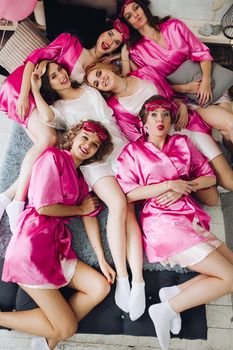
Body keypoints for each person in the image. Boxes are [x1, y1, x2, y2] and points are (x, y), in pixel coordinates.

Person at [116, 95, 233, 350]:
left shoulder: (182, 143)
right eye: (154, 115)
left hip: (188, 217)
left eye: (165, 114)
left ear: (171, 120)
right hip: (161, 222)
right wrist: (168, 184)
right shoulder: (133, 151)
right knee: (230, 277)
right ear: (144, 122)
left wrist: (184, 187)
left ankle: (172, 294)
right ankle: (166, 308)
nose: (160, 119)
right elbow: (128, 193)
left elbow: (209, 178)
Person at [0, 18, 130, 223]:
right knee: (49, 140)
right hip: (23, 88)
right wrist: (25, 94)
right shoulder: (70, 41)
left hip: (49, 102)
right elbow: (32, 62)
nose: (110, 41)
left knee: (59, 154)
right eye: (110, 34)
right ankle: (16, 200)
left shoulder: (96, 71)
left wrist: (121, 56)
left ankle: (6, 196)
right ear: (102, 31)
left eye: (116, 42)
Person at [0, 120, 115, 350]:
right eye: (85, 137)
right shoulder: (52, 157)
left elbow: (89, 214)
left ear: (96, 152)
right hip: (32, 245)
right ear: (73, 136)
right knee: (67, 329)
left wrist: (101, 258)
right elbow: (44, 207)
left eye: (94, 145)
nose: (87, 145)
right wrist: (80, 209)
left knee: (100, 286)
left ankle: (44, 341)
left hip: (57, 246)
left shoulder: (81, 179)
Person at [84, 62, 233, 198]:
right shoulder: (114, 107)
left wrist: (181, 106)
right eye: (97, 83)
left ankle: (215, 160)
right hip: (168, 145)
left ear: (107, 67)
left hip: (187, 125)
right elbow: (137, 137)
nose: (101, 80)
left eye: (99, 73)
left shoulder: (146, 72)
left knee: (229, 182)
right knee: (212, 196)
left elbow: (171, 95)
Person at [119, 0, 233, 147]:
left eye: (136, 8)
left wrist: (205, 81)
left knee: (227, 132)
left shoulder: (174, 25)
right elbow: (155, 85)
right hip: (188, 98)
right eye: (129, 16)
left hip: (210, 81)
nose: (135, 14)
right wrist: (186, 88)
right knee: (230, 125)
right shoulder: (136, 52)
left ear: (143, 7)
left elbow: (201, 51)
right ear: (128, 23)